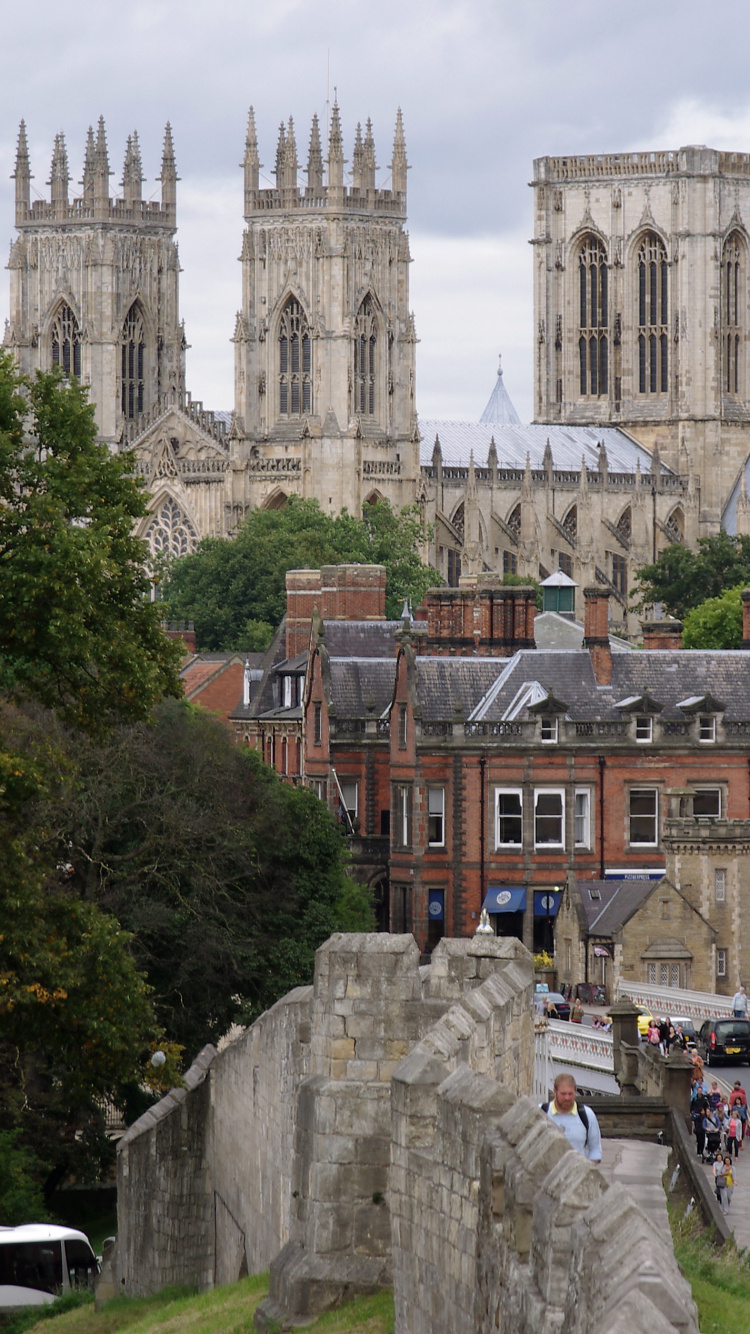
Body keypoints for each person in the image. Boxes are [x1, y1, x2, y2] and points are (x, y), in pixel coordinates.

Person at [541, 1073, 602, 1163]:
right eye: (563, 1094)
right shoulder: (542, 1112)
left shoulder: (586, 1114)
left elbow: (595, 1150)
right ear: (555, 1092)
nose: (567, 1098)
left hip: (578, 1173)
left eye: (570, 1094)